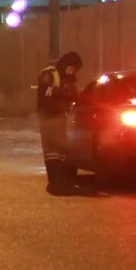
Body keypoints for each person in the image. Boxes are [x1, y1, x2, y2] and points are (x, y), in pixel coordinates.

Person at [37, 50, 86, 194]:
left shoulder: (67, 78)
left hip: (60, 117)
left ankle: (62, 182)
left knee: (61, 150)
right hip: (49, 117)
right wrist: (65, 94)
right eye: (72, 68)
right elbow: (46, 95)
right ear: (66, 64)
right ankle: (56, 182)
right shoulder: (49, 74)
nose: (73, 72)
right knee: (53, 151)